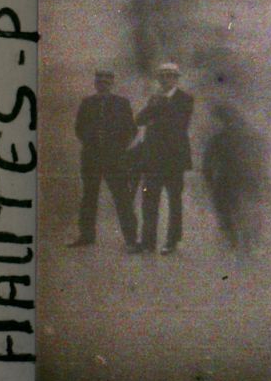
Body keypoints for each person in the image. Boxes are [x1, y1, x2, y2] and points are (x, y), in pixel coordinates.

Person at [132, 62, 195, 254]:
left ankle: (172, 241)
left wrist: (156, 117)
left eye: (170, 76)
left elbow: (178, 124)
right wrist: (154, 110)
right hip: (153, 159)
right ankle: (147, 242)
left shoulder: (185, 98)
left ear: (176, 79)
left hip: (174, 159)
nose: (165, 80)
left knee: (174, 200)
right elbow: (139, 120)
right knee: (149, 200)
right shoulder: (155, 98)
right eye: (162, 76)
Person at [72, 69, 138, 249]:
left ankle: (131, 239)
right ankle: (86, 236)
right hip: (91, 157)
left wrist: (119, 147)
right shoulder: (87, 103)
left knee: (122, 198)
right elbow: (79, 128)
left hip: (115, 159)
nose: (103, 85)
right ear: (95, 84)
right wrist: (91, 141)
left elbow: (131, 129)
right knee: (89, 197)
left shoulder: (122, 103)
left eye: (106, 82)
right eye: (100, 82)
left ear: (112, 84)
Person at [201, 103, 271, 252]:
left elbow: (207, 165)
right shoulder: (251, 136)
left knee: (227, 217)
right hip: (248, 181)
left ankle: (233, 243)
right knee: (248, 215)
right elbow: (260, 161)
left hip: (226, 182)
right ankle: (249, 242)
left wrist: (208, 183)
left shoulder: (217, 139)